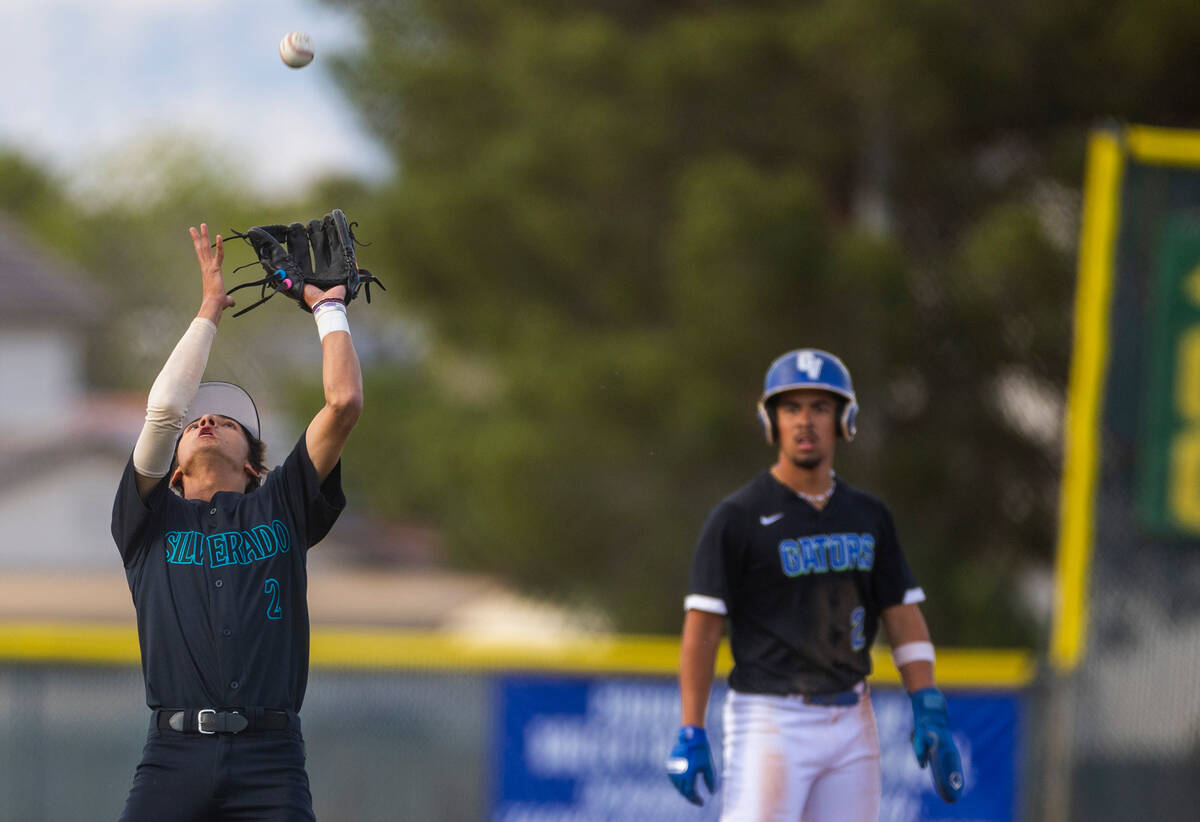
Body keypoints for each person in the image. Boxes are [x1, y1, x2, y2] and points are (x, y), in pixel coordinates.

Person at [111, 223, 363, 821]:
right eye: (199, 422)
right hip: (172, 757)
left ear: (253, 463)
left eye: (226, 421)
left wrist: (328, 310)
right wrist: (207, 312)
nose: (205, 421)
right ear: (170, 471)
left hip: (270, 759)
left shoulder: (281, 503)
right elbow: (167, 407)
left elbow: (345, 404)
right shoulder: (147, 519)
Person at [665, 348, 963, 821]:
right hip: (771, 719)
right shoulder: (737, 518)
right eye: (791, 407)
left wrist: (928, 704)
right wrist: (690, 728)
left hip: (852, 717)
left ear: (844, 419)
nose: (805, 421)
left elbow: (902, 614)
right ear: (771, 421)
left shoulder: (869, 515)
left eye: (820, 407)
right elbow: (702, 630)